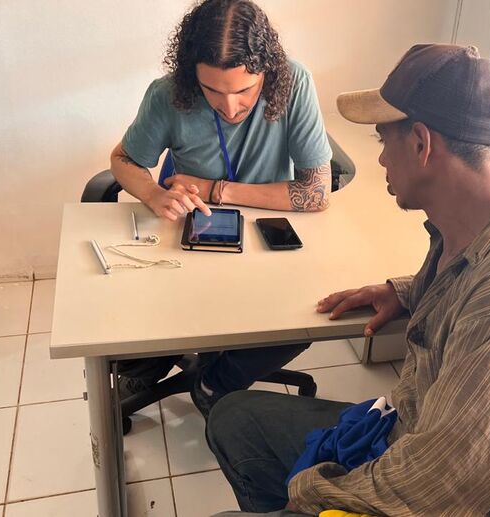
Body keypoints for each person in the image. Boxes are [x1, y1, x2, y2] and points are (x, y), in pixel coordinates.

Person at [206, 44, 490, 516]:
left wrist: (312, 494)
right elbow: (463, 296)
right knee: (234, 417)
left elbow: (441, 487)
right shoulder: (471, 229)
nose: (379, 162)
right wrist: (406, 291)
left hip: (483, 502)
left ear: (421, 144)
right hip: (421, 439)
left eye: (383, 141)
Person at [109, 0, 332, 416]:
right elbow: (122, 161)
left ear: (268, 71)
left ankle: (216, 383)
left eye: (245, 90)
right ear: (192, 75)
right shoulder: (168, 93)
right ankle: (151, 363)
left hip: (268, 239)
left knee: (309, 316)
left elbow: (316, 192)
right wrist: (155, 195)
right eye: (213, 91)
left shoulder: (295, 82)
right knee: (147, 318)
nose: (230, 108)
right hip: (194, 239)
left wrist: (216, 189)